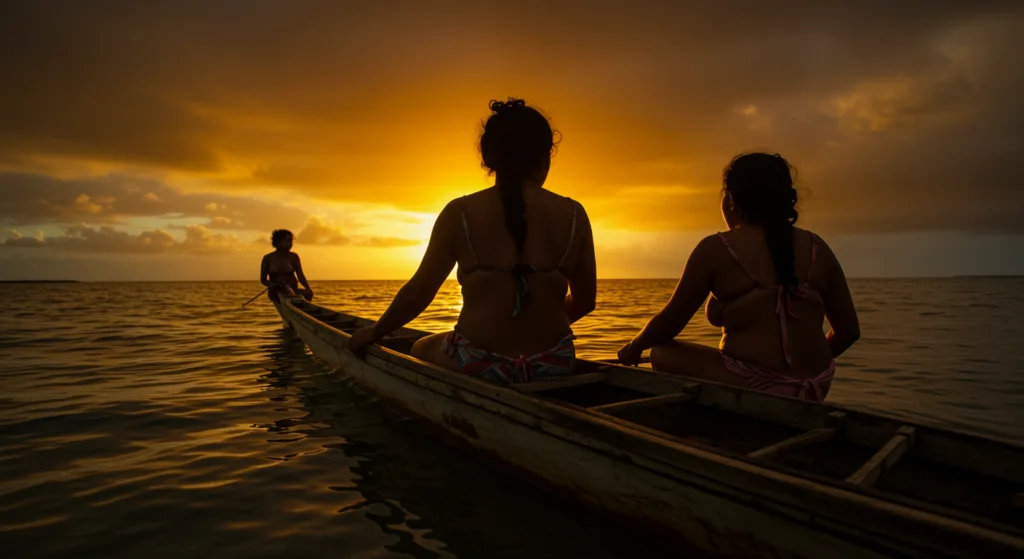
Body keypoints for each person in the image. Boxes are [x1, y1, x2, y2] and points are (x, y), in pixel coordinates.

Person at [348, 98, 597, 384]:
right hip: (554, 362)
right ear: (546, 156)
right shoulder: (575, 214)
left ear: (488, 158)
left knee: (420, 347)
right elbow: (585, 301)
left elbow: (420, 291)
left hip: (479, 363)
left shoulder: (460, 213)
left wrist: (374, 332)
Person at [617, 153, 859, 402]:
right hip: (815, 385)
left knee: (661, 351)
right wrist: (803, 372)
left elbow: (669, 323)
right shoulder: (818, 247)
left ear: (731, 200)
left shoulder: (717, 248)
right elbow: (849, 331)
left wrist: (634, 346)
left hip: (756, 386)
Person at [260, 229, 314, 302]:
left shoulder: (294, 257)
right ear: (278, 242)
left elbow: (300, 276)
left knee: (308, 294)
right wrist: (271, 284)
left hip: (293, 290)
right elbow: (263, 280)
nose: (290, 244)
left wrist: (308, 288)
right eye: (287, 241)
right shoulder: (268, 258)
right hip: (276, 292)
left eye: (291, 241)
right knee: (282, 297)